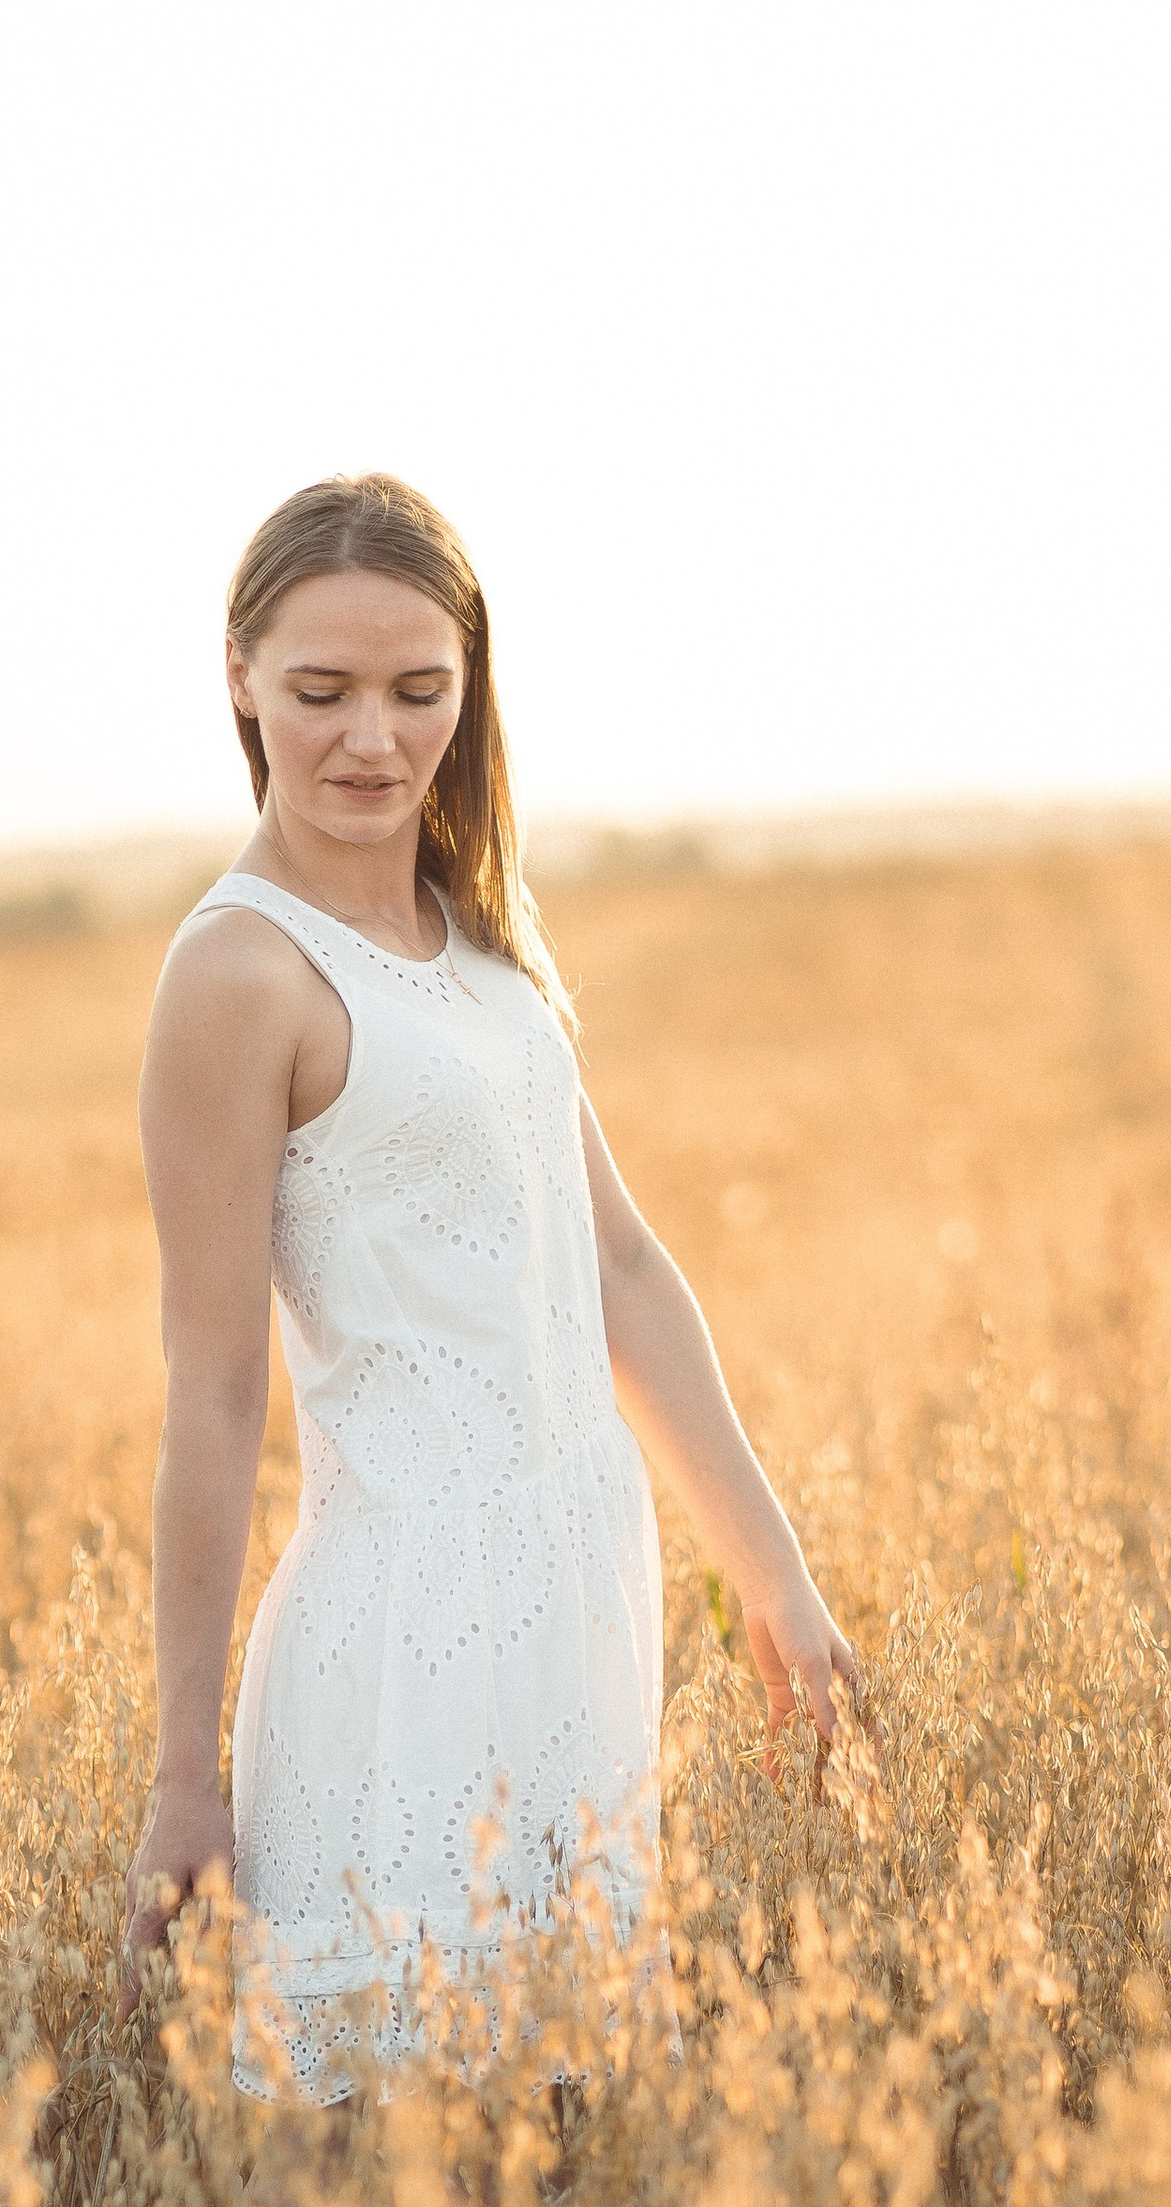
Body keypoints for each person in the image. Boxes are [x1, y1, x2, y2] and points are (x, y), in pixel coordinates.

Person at [123, 471, 862, 2104]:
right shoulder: (238, 973)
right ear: (237, 677)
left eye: (417, 692)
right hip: (402, 1635)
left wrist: (776, 1579)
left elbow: (620, 1265)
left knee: (552, 2144)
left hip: (575, 1593)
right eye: (320, 693)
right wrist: (188, 1775)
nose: (371, 740)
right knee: (348, 2175)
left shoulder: (476, 933)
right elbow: (214, 1394)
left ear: (471, 686)